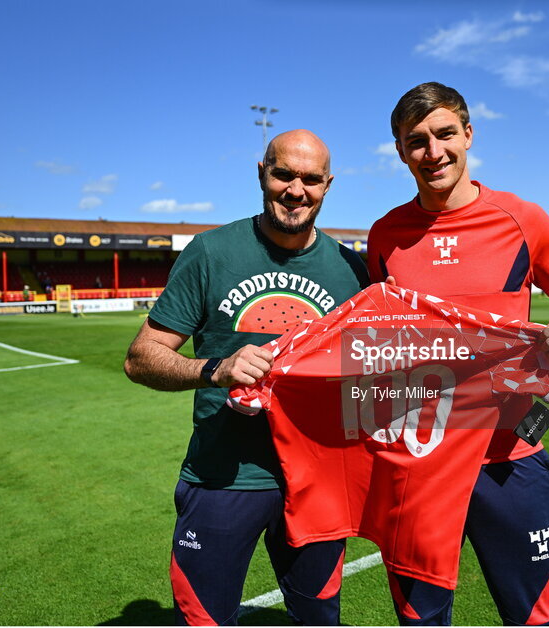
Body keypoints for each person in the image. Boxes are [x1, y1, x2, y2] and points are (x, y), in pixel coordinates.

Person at [367, 82, 549, 625]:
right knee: (421, 619)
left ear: (468, 135)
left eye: (445, 134)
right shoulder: (385, 235)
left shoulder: (522, 220)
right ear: (400, 151)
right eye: (416, 141)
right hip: (418, 464)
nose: (433, 153)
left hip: (509, 460)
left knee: (531, 617)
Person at [124, 129, 368, 626]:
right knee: (206, 619)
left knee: (320, 620)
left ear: (328, 185)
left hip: (316, 482)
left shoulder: (352, 269)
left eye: (311, 179)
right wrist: (216, 369)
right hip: (224, 477)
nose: (295, 190)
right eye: (283, 174)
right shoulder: (211, 252)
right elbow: (141, 358)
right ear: (262, 172)